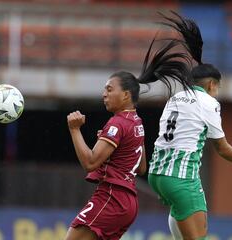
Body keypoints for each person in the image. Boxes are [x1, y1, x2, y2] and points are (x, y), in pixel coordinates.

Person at [65, 38, 195, 240]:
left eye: (109, 89)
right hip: (129, 203)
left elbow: (90, 162)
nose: (104, 95)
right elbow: (141, 167)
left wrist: (74, 130)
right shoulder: (137, 122)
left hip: (111, 197)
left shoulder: (117, 123)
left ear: (126, 95)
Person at [147, 12, 232, 240]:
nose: (217, 92)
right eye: (217, 87)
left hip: (157, 173)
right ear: (211, 85)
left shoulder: (175, 98)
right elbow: (221, 147)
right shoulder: (209, 102)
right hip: (181, 177)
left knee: (182, 220)